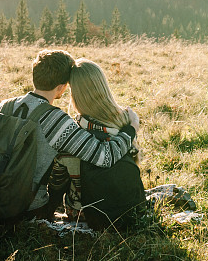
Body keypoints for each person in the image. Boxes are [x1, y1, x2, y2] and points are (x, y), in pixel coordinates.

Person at [0, 49, 139, 217]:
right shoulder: (56, 121)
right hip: (24, 206)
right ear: (62, 87)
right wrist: (131, 128)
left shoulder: (5, 105)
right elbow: (105, 157)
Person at [46, 58, 142, 220]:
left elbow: (57, 182)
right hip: (126, 206)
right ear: (102, 85)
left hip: (84, 214)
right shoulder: (126, 121)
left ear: (75, 93)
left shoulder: (72, 135)